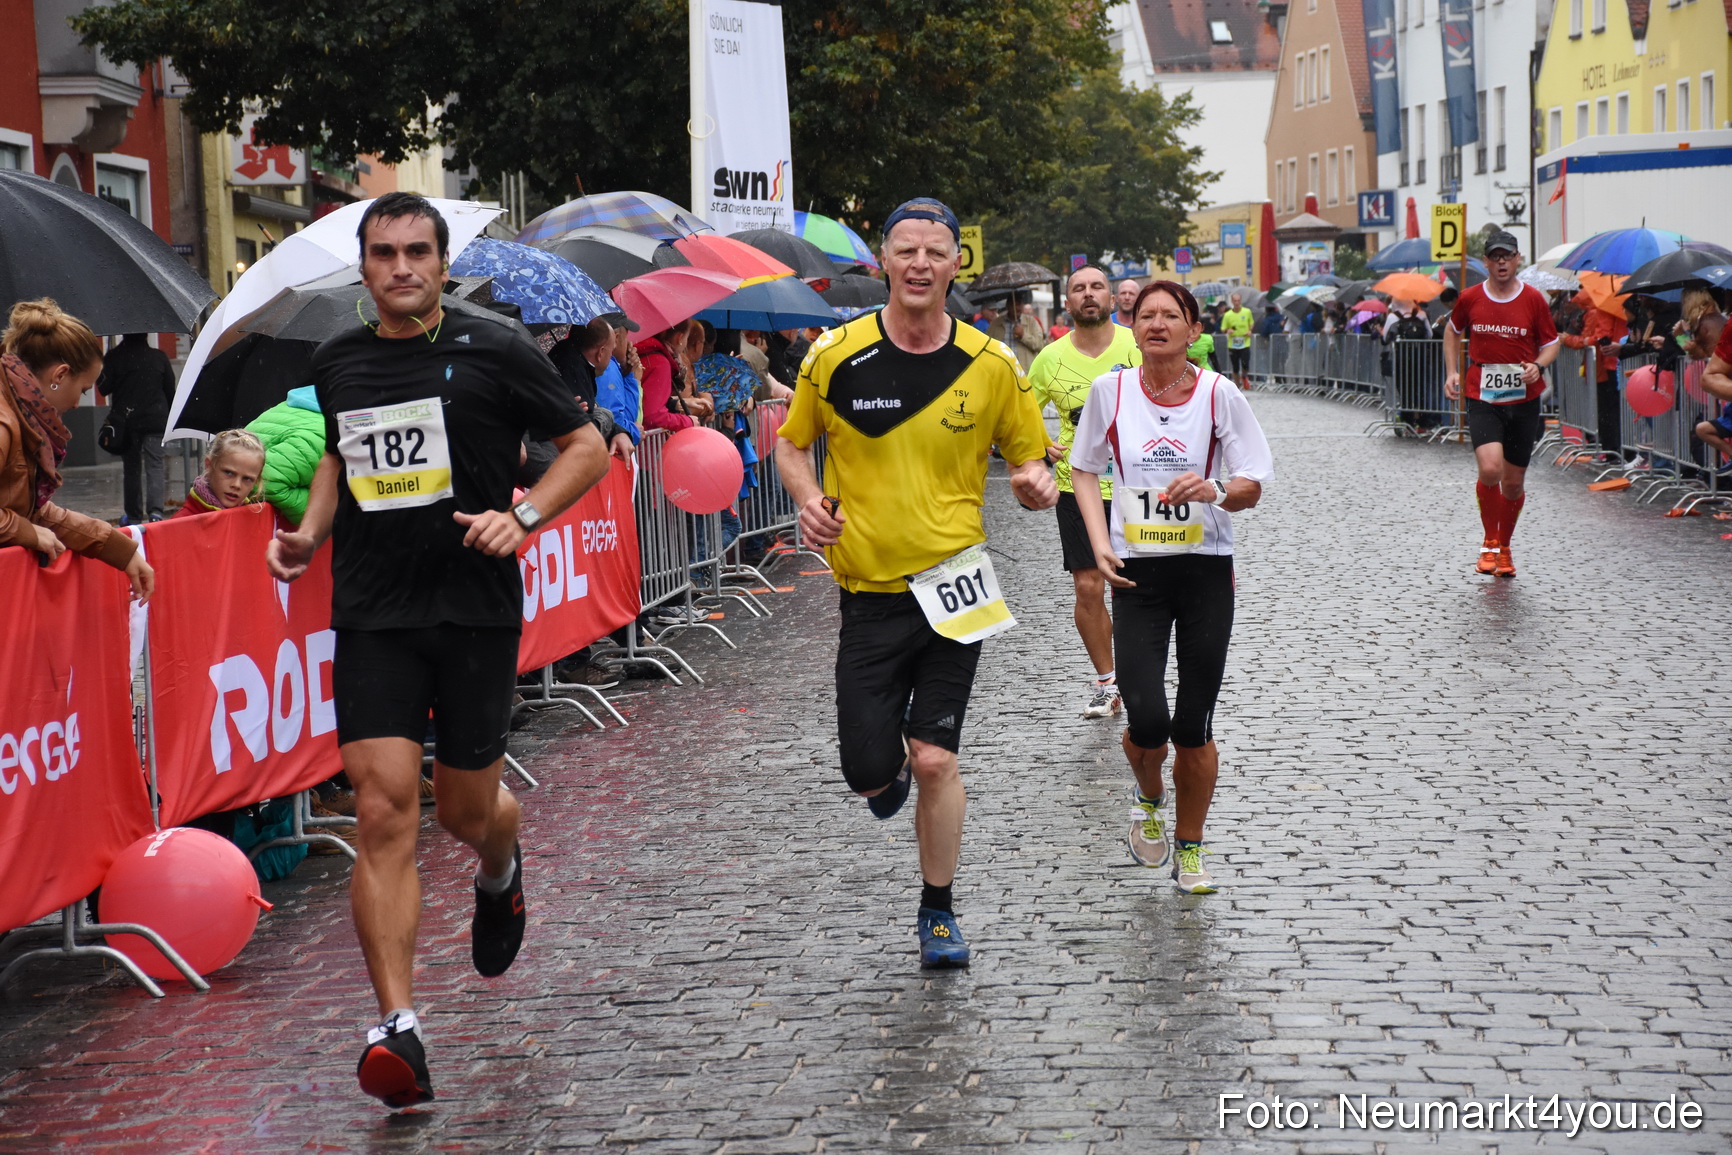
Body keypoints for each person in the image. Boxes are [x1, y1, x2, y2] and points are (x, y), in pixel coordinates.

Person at [263, 193, 609, 1108]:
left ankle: (501, 863)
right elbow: (338, 455)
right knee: (382, 808)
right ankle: (398, 1027)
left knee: (463, 810)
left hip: (473, 611)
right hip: (373, 612)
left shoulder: (496, 347)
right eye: (384, 253)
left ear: (444, 264)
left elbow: (588, 446)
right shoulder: (337, 359)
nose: (401, 267)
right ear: (364, 267)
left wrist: (523, 517)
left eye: (418, 251)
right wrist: (309, 533)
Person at [774, 197, 1056, 969]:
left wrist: (1034, 481)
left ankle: (938, 910)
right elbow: (792, 445)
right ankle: (886, 768)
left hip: (955, 583)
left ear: (956, 263)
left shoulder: (993, 364)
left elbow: (1030, 458)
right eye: (907, 250)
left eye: (936, 251)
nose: (921, 264)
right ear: (884, 260)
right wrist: (808, 499)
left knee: (936, 757)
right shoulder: (834, 354)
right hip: (868, 591)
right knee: (868, 770)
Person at [1068, 281, 1272, 895]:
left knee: (1193, 723)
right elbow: (1084, 468)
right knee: (1148, 716)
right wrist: (1099, 541)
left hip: (1205, 570)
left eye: (1170, 315)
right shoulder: (1110, 391)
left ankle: (1190, 846)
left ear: (1193, 330)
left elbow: (1253, 482)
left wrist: (1215, 489)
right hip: (1138, 572)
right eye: (1145, 315)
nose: (1156, 323)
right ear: (1132, 328)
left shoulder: (1218, 393)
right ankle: (1149, 796)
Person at [1027, 266, 1141, 718]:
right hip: (1077, 485)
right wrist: (1039, 443)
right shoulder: (1049, 359)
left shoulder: (1137, 345)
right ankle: (1108, 683)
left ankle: (1142, 675)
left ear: (1112, 298)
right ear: (1067, 303)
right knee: (1089, 586)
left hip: (1140, 483)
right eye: (1079, 288)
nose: (1089, 294)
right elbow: (1017, 414)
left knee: (1137, 587)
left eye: (1097, 287)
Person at [0, 299, 153, 601]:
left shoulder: (20, 415)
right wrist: (25, 531)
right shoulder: (6, 423)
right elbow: (27, 518)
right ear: (59, 376)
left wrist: (120, 549)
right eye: (83, 390)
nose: (76, 404)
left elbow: (34, 510)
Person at [1442, 229, 1560, 579]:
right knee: (1491, 469)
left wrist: (1538, 365)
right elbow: (1452, 330)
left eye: (1507, 256)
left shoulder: (1534, 299)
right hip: (1483, 395)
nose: (1502, 262)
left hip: (1524, 398)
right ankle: (1490, 542)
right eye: (1495, 257)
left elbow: (1552, 343)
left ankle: (1504, 548)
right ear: (1486, 262)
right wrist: (1452, 372)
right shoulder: (1470, 297)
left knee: (1513, 483)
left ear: (1518, 259)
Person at [95, 332, 176, 524]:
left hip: (127, 423)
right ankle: (156, 513)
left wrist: (103, 365)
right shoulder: (159, 357)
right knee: (155, 464)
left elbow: (103, 388)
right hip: (156, 420)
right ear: (146, 334)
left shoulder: (114, 357)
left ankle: (133, 516)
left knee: (131, 468)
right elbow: (170, 390)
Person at [175, 428, 266, 517]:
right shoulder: (182, 521)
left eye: (247, 479)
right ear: (209, 465)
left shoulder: (254, 519)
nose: (236, 485)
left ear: (256, 481)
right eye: (229, 473)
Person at [1220, 292, 1254, 389]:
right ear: (1232, 301)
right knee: (1235, 366)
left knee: (1245, 364)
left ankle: (1244, 376)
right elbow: (1223, 328)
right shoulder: (1227, 315)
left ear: (1241, 301)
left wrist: (1250, 331)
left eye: (1238, 300)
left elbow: (1251, 323)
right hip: (1233, 344)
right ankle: (1237, 386)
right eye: (1235, 301)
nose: (1237, 303)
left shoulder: (1247, 312)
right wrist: (1227, 330)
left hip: (1245, 342)